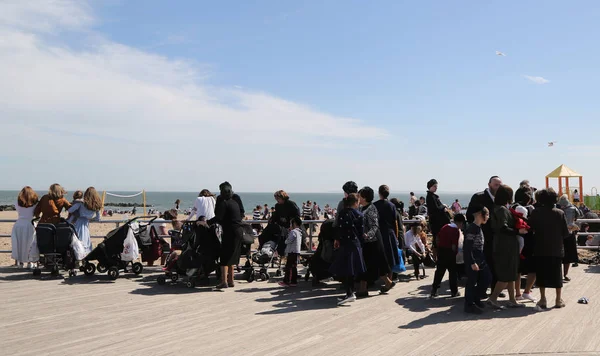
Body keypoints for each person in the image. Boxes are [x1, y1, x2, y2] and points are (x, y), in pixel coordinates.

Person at [528, 188, 569, 309]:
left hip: (540, 247)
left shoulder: (536, 212)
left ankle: (543, 299)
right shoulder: (559, 213)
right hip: (556, 248)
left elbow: (530, 227)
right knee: (557, 275)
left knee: (542, 274)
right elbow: (565, 233)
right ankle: (558, 299)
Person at [487, 185, 526, 309]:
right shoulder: (502, 210)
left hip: (501, 243)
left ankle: (512, 299)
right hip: (506, 244)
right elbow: (503, 228)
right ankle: (493, 298)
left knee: (511, 273)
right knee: (507, 273)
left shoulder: (496, 208)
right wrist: (517, 231)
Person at [466, 176, 502, 295]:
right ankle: (481, 291)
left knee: (495, 262)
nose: (498, 187)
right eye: (496, 185)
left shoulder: (500, 198)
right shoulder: (479, 197)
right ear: (489, 184)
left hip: (495, 236)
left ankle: (495, 289)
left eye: (499, 185)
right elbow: (469, 215)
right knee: (483, 262)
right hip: (481, 235)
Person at [329, 193, 366, 306]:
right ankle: (350, 293)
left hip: (345, 244)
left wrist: (337, 240)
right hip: (356, 244)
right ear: (355, 202)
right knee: (352, 270)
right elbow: (361, 232)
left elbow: (338, 229)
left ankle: (349, 293)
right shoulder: (359, 214)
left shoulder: (342, 213)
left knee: (346, 270)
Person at [357, 187, 395, 298]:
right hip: (367, 241)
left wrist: (367, 235)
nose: (358, 198)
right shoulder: (362, 208)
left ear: (364, 197)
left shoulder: (371, 208)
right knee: (370, 265)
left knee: (374, 264)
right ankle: (365, 288)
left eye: (360, 196)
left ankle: (365, 288)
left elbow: (374, 225)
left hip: (373, 241)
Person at [211, 184, 244, 290]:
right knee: (233, 256)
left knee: (224, 257)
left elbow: (218, 217)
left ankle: (224, 281)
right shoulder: (235, 202)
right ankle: (231, 281)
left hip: (230, 231)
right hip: (239, 230)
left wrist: (206, 222)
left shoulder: (224, 203)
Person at [463, 205, 491, 314]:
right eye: (487, 215)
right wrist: (472, 262)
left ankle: (476, 298)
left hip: (480, 257)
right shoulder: (472, 228)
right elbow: (467, 247)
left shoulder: (478, 228)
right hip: (474, 258)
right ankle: (469, 305)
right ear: (480, 215)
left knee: (486, 278)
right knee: (472, 282)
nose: (488, 217)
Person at [430, 214, 465, 298]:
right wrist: (455, 254)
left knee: (439, 272)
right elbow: (454, 245)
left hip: (441, 251)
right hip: (450, 253)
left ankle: (434, 290)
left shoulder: (445, 227)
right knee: (453, 273)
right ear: (460, 223)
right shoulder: (455, 231)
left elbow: (437, 238)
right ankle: (454, 291)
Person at [373, 185, 400, 278]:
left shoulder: (374, 205)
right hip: (390, 233)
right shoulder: (392, 205)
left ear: (379, 193)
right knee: (391, 257)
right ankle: (390, 277)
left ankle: (381, 277)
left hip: (378, 233)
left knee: (380, 256)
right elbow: (395, 222)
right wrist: (396, 236)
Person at [67, 187, 102, 254]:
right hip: (85, 224)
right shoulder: (96, 205)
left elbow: (70, 210)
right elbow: (98, 218)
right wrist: (90, 219)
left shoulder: (81, 203)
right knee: (85, 241)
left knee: (75, 240)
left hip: (77, 223)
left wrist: (77, 214)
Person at [11, 186, 39, 268]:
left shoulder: (17, 202)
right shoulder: (35, 203)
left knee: (19, 243)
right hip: (30, 223)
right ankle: (30, 262)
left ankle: (20, 262)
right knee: (31, 243)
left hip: (19, 224)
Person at [558, 194, 582, 281]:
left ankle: (559, 275)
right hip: (569, 232)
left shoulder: (557, 208)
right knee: (568, 255)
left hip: (558, 234)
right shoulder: (573, 208)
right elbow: (579, 216)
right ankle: (565, 275)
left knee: (558, 255)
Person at [426, 179, 451, 253]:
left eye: (436, 186)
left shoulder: (433, 196)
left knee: (438, 239)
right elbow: (436, 208)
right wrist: (443, 206)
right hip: (436, 222)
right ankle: (436, 257)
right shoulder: (430, 197)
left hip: (438, 222)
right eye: (434, 186)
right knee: (437, 240)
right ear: (430, 187)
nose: (436, 188)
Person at [279, 216, 303, 287]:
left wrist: (286, 240)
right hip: (296, 251)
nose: (290, 225)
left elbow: (289, 240)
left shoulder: (293, 232)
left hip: (292, 251)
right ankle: (293, 281)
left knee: (289, 267)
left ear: (294, 224)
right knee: (293, 267)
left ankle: (287, 281)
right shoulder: (299, 232)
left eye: (290, 224)